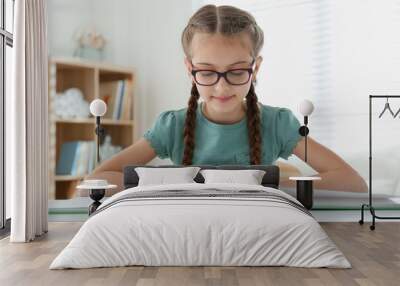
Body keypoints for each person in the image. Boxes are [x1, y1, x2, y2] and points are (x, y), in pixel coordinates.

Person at [86, 4, 367, 194]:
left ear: (255, 68)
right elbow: (97, 179)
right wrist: (168, 181)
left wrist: (270, 181)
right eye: (207, 72)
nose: (221, 88)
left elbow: (353, 183)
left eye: (236, 71)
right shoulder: (172, 125)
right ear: (190, 69)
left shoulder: (277, 123)